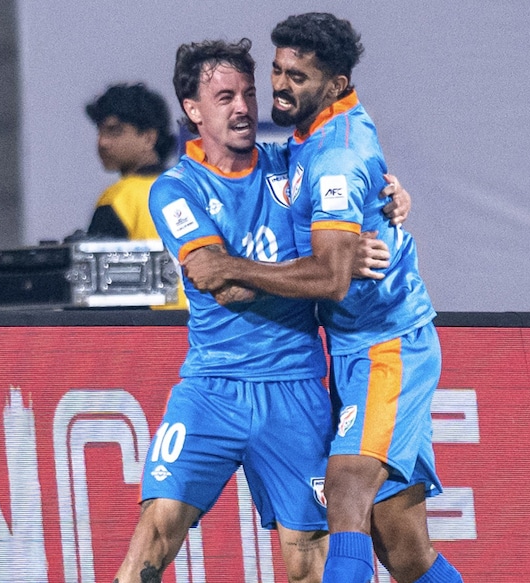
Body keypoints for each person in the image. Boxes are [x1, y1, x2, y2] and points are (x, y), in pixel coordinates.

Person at [112, 38, 410, 583]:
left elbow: (352, 192)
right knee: (155, 534)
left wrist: (389, 199)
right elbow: (222, 287)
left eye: (248, 93)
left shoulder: (294, 165)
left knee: (309, 562)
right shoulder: (175, 189)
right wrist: (326, 266)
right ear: (193, 109)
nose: (244, 108)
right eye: (225, 97)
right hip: (212, 387)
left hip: (295, 387)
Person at [181, 13, 463, 583]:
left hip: (387, 345)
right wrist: (391, 197)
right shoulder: (315, 134)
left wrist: (232, 266)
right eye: (278, 70)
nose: (280, 86)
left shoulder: (336, 155)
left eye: (298, 76)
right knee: (403, 550)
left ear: (335, 84)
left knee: (346, 487)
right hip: (358, 347)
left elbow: (331, 279)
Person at [81, 82, 188, 309]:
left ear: (149, 137)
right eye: (100, 131)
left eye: (115, 131)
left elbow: (98, 291)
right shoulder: (190, 188)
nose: (102, 142)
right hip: (202, 323)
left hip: (150, 325)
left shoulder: (119, 198)